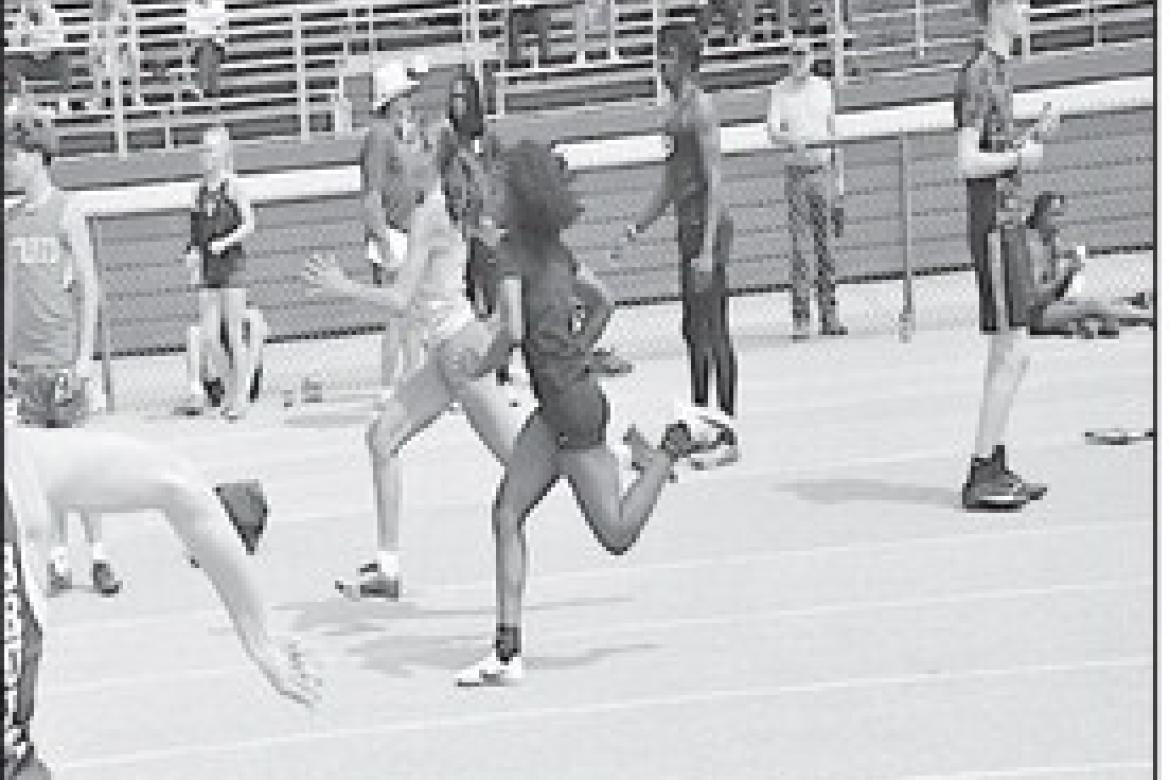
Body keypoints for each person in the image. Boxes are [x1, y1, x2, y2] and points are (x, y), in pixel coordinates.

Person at [454, 141, 715, 687]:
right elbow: (604, 301)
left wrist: (482, 365)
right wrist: (576, 352)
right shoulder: (554, 253)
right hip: (559, 407)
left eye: (498, 191)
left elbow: (513, 331)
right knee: (506, 513)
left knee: (616, 534)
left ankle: (669, 447)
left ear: (521, 201)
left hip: (571, 411)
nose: (490, 198)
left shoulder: (510, 258)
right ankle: (506, 651)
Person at [2, 424, 322, 779]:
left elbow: (177, 485)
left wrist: (259, 637)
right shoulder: (21, 467)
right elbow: (177, 484)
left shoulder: (20, 470)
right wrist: (259, 637)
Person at [302, 115, 527, 601]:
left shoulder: (432, 214)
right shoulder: (440, 207)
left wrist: (345, 287)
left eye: (413, 142)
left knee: (527, 461)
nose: (402, 149)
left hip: (462, 352)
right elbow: (494, 241)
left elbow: (402, 300)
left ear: (432, 158)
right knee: (381, 438)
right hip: (447, 354)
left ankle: (627, 466)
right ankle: (387, 568)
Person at [4, 105, 123, 599]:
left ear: (37, 157)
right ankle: (56, 558)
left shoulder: (67, 212)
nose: (7, 164)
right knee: (42, 474)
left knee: (80, 465)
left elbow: (89, 288)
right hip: (24, 362)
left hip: (60, 356)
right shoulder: (9, 220)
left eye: (13, 155)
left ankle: (99, 555)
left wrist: (83, 356)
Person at [617, 23, 740, 469]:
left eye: (668, 55)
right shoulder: (670, 114)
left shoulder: (701, 109)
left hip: (708, 230)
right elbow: (670, 181)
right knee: (692, 330)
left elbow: (716, 181)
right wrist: (638, 226)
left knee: (714, 328)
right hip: (685, 228)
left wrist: (707, 249)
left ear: (689, 59)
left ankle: (726, 428)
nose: (661, 64)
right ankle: (700, 418)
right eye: (658, 55)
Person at [954, 0, 1059, 511]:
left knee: (1007, 352)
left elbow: (996, 153)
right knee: (1015, 351)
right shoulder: (977, 73)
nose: (1027, 10)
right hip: (996, 228)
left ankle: (993, 461)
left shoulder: (998, 70)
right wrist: (1021, 155)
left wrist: (1031, 138)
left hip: (1008, 221)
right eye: (1019, 2)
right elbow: (967, 160)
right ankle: (980, 470)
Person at [766, 36, 847, 341]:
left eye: (803, 54)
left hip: (822, 170)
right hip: (797, 173)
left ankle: (830, 313)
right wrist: (791, 141)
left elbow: (834, 133)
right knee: (800, 249)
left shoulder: (823, 89)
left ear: (812, 57)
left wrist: (840, 183)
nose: (799, 59)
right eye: (794, 54)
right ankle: (801, 315)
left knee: (826, 247)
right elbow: (773, 130)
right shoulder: (779, 92)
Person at [360, 59, 428, 389]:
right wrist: (384, 244)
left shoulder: (395, 136)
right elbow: (371, 195)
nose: (409, 102)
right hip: (393, 234)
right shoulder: (379, 136)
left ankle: (411, 380)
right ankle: (388, 387)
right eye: (403, 96)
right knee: (399, 318)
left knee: (410, 317)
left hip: (405, 231)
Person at [183, 125, 256, 421]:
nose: (205, 156)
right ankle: (228, 388)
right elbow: (195, 234)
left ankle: (240, 397)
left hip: (231, 265)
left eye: (211, 150)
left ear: (223, 153)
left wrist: (226, 241)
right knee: (210, 337)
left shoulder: (233, 186)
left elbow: (250, 223)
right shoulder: (198, 191)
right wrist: (192, 254)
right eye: (203, 150)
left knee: (235, 334)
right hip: (209, 269)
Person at [1025, 191, 1153, 338]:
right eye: (1054, 215)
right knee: (1092, 306)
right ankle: (1148, 316)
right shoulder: (1032, 246)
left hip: (1048, 306)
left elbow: (1058, 289)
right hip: (1035, 316)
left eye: (1061, 215)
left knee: (1093, 306)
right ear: (1040, 216)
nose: (1059, 221)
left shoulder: (1050, 238)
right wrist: (1066, 272)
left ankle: (1123, 314)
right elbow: (1036, 296)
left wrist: (1071, 267)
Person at [174, 305, 268, 415]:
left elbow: (256, 350)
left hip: (244, 382)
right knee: (194, 331)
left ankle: (241, 395)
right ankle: (197, 394)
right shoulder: (214, 311)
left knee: (253, 319)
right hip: (219, 383)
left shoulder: (250, 315)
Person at [5, 0, 73, 115]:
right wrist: (21, 35)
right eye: (28, 3)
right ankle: (17, 99)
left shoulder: (52, 16)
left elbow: (59, 41)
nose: (30, 4)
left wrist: (32, 35)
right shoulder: (21, 17)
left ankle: (62, 101)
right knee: (10, 61)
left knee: (63, 57)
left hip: (50, 59)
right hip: (30, 59)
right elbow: (13, 45)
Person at [89, 0, 143, 111]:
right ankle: (98, 99)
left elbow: (132, 35)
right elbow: (93, 36)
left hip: (122, 50)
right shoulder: (98, 10)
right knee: (93, 54)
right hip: (105, 50)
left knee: (134, 53)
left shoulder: (127, 10)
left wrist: (124, 48)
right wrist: (101, 49)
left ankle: (136, 97)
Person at [184, 0, 228, 99]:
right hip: (199, 43)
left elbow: (220, 25)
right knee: (208, 52)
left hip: (216, 42)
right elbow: (190, 29)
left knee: (208, 49)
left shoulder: (218, 2)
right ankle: (214, 94)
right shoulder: (191, 5)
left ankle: (200, 86)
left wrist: (207, 34)